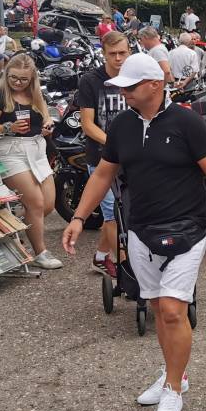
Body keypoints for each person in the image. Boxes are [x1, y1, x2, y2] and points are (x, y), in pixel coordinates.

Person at [62, 53, 206, 411]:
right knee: (157, 307)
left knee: (172, 310)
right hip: (140, 230)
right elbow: (103, 174)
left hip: (187, 228)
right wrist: (78, 218)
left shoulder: (188, 122)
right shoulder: (122, 125)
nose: (123, 93)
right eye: (121, 87)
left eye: (131, 86)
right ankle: (174, 372)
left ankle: (174, 389)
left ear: (155, 85)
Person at [0, 55, 62, 269]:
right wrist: (8, 127)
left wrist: (48, 124)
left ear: (32, 78)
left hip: (37, 149)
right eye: (13, 77)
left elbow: (46, 117)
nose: (18, 82)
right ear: (6, 74)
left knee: (47, 205)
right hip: (11, 151)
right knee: (36, 203)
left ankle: (13, 223)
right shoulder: (0, 95)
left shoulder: (36, 94)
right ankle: (40, 253)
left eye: (23, 79)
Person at [75, 30, 131, 276]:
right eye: (113, 54)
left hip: (131, 157)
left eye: (122, 53)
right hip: (101, 157)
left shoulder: (134, 77)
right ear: (104, 54)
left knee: (126, 212)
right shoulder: (91, 81)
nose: (118, 58)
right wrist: (115, 144)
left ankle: (100, 256)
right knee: (112, 215)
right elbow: (88, 125)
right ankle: (128, 268)